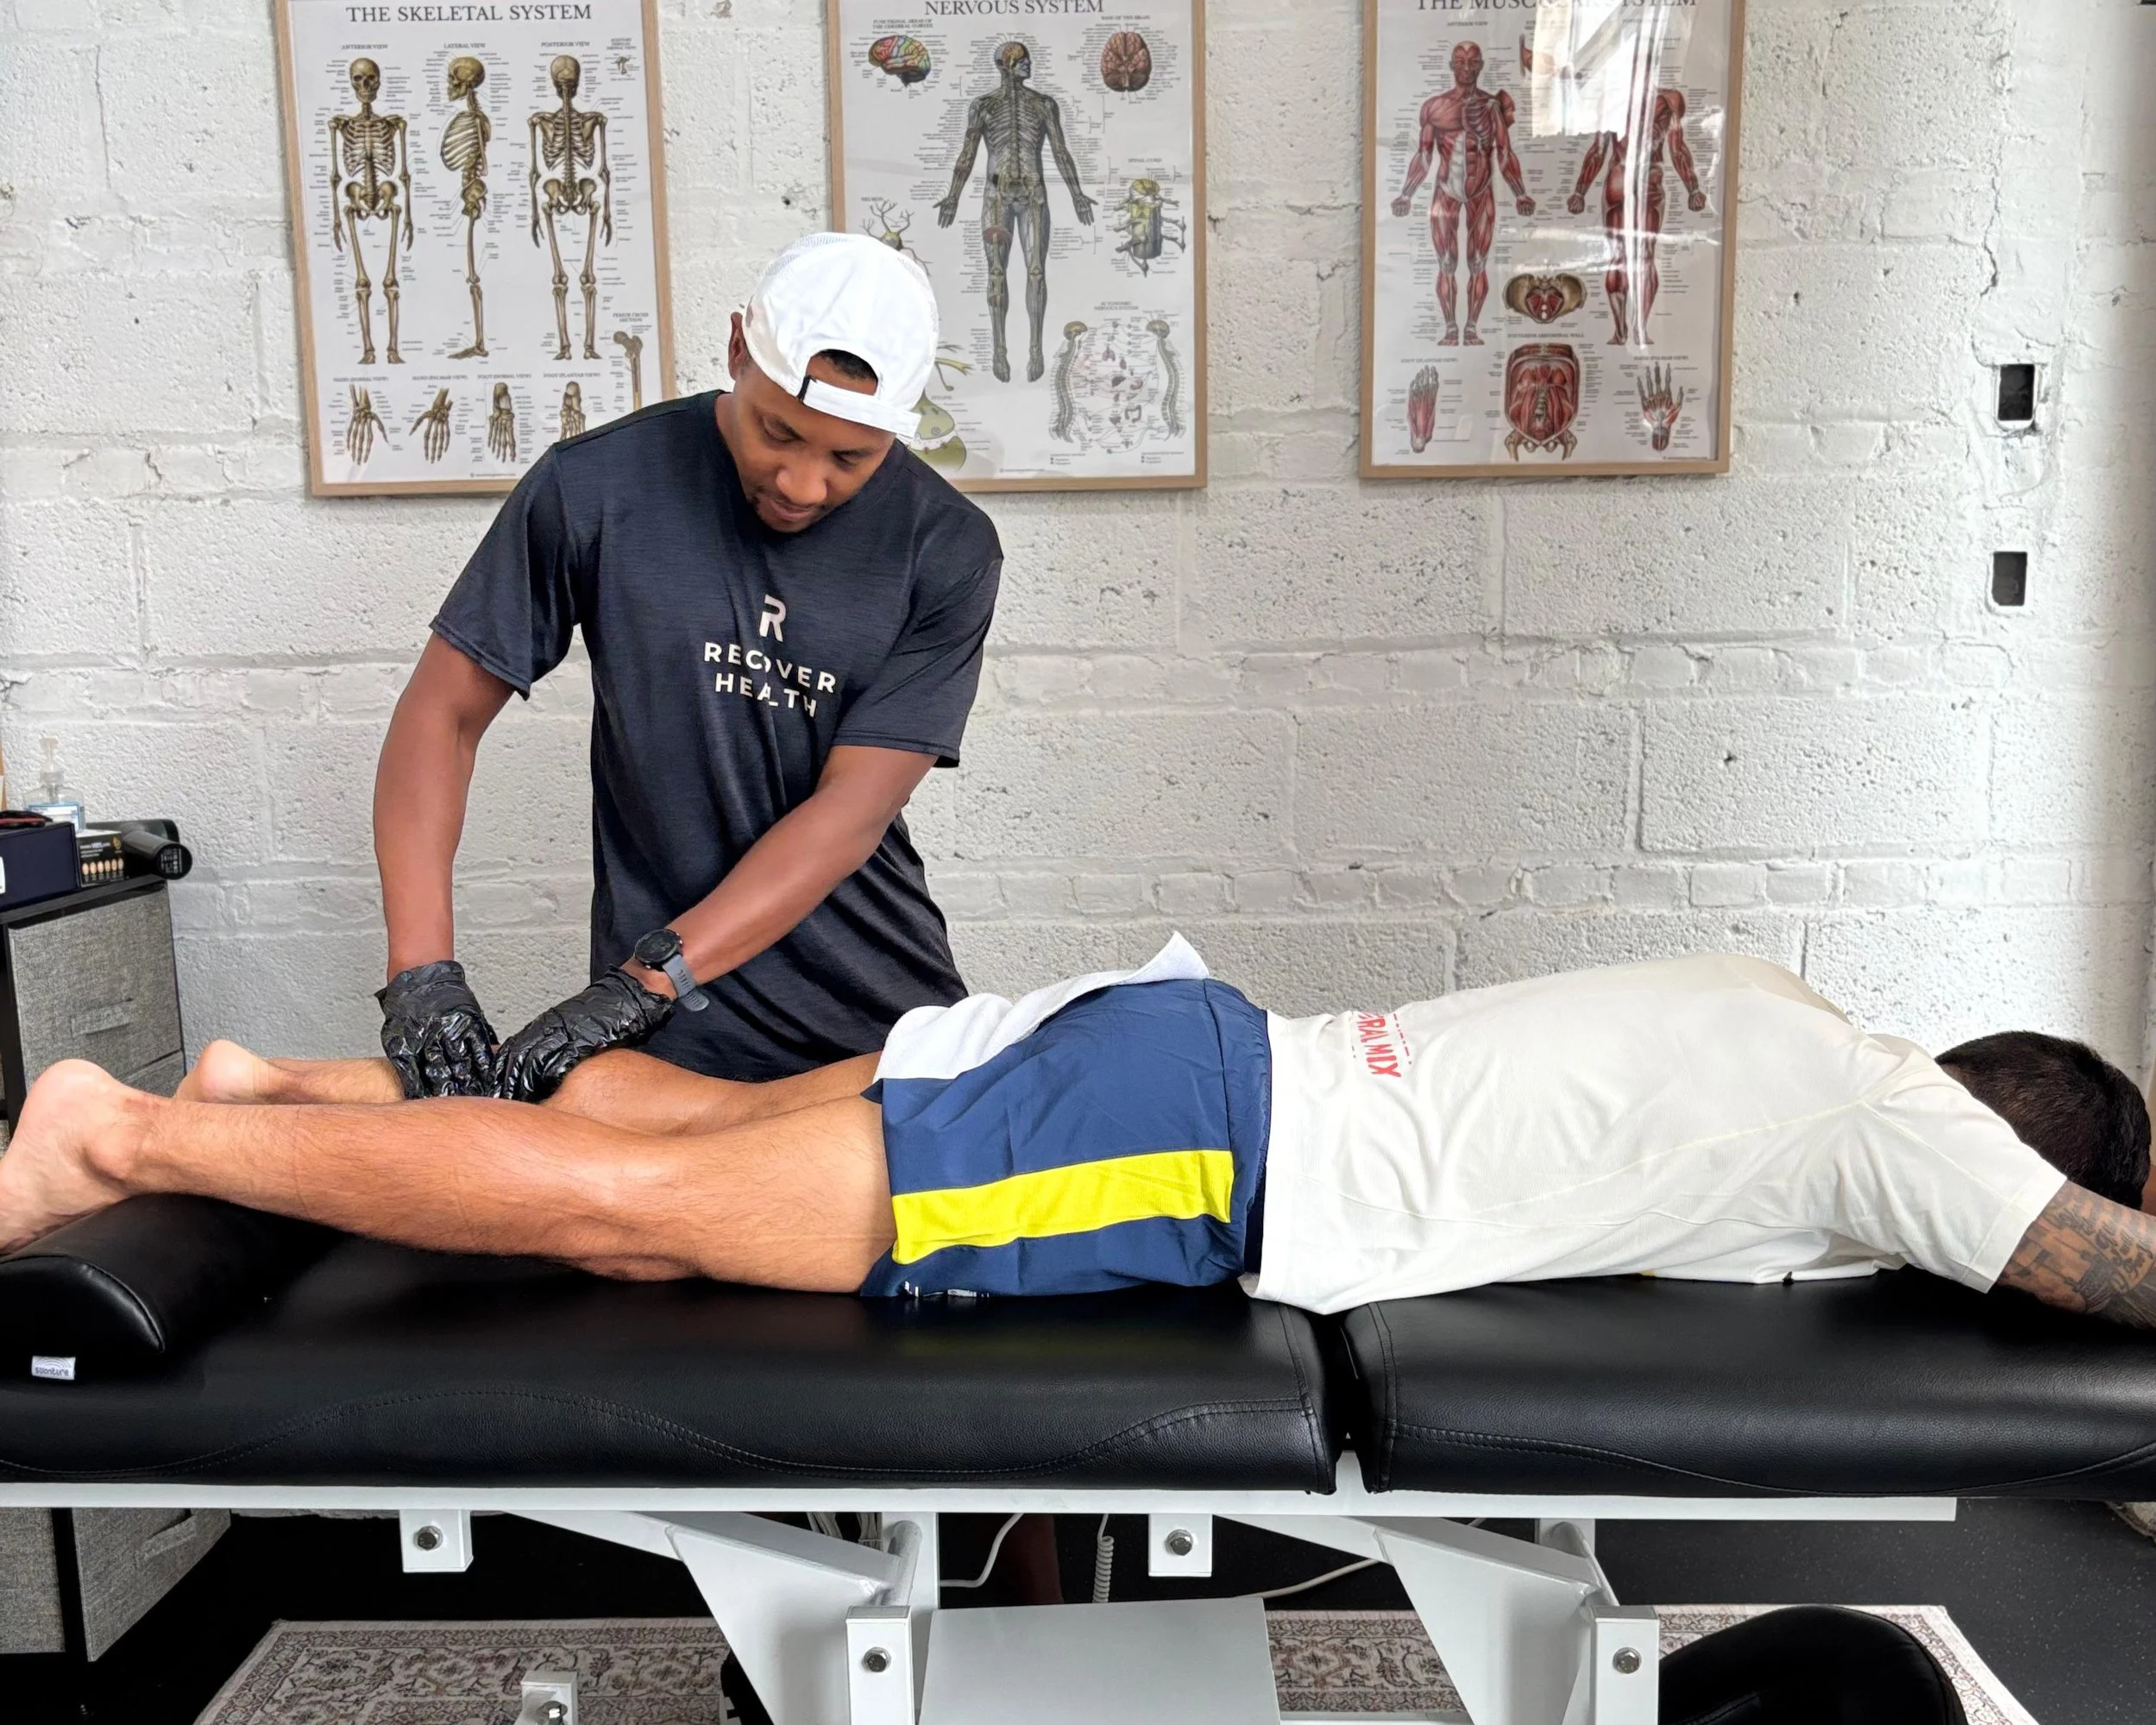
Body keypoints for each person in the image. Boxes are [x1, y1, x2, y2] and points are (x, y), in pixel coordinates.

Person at [5, 945, 2154, 1332]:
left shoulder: (1782, 1004)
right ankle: (127, 1136)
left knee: (668, 1109)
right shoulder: (1908, 1121)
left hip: (1178, 1048)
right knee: (633, 1213)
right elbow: (2107, 1268)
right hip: (1196, 1147)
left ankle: (266, 1089)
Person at [371, 231, 1003, 1105]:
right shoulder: (596, 486)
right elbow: (444, 715)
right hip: (665, 1045)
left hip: (872, 1020)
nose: (802, 483)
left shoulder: (946, 547)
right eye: (779, 431)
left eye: (849, 458)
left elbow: (850, 812)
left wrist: (644, 983)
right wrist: (421, 974)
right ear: (738, 348)